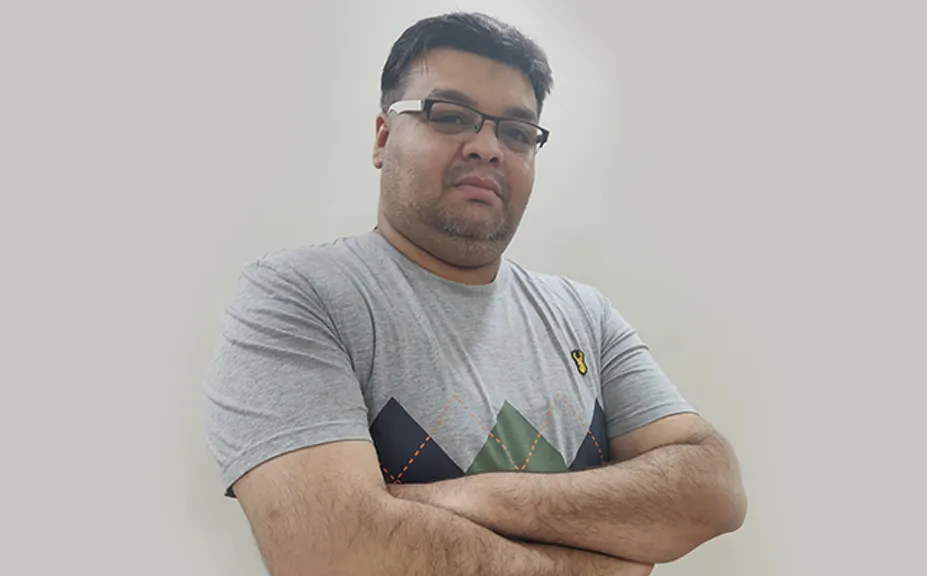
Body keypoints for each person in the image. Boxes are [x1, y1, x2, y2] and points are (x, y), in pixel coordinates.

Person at [203, 11, 746, 575]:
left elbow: (713, 487)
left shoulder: (585, 316)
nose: (487, 147)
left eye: (517, 132)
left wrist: (482, 497)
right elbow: (334, 553)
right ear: (383, 138)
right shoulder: (296, 298)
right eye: (450, 116)